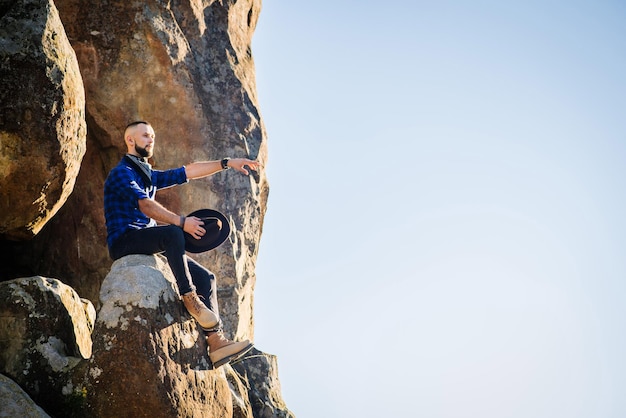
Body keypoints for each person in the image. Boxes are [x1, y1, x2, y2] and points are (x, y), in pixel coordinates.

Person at [104, 120, 259, 368]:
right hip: (125, 241)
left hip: (145, 241)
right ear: (130, 140)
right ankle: (190, 299)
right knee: (174, 233)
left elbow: (188, 171)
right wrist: (182, 221)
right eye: (145, 135)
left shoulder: (148, 175)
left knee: (207, 278)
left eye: (153, 135)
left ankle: (216, 341)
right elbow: (145, 205)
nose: (151, 139)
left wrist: (227, 163)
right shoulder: (122, 172)